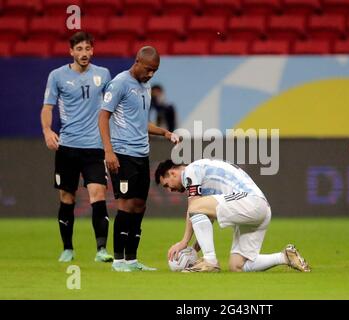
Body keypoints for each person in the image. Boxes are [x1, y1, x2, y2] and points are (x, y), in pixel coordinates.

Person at [98, 46, 179, 272]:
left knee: (139, 205)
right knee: (124, 204)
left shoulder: (146, 86)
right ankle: (118, 261)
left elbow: (139, 121)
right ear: (137, 62)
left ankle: (132, 260)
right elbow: (103, 117)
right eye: (148, 69)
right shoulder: (119, 83)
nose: (151, 74)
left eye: (155, 70)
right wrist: (108, 151)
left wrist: (164, 132)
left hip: (141, 154)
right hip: (122, 153)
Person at [155, 158, 311, 273]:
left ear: (172, 173)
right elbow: (208, 215)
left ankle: (210, 261)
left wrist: (184, 242)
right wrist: (195, 247)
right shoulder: (204, 174)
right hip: (261, 209)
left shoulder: (191, 170)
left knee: (195, 206)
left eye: (167, 185)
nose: (169, 190)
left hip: (250, 201)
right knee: (237, 266)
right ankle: (284, 257)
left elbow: (194, 207)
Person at [41, 31, 114, 263]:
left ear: (93, 50)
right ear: (71, 51)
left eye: (87, 49)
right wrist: (47, 130)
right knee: (67, 197)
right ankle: (68, 248)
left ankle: (101, 250)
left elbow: (112, 107)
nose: (84, 54)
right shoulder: (57, 76)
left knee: (97, 194)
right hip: (68, 147)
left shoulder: (103, 75)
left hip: (94, 148)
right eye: (79, 49)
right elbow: (47, 107)